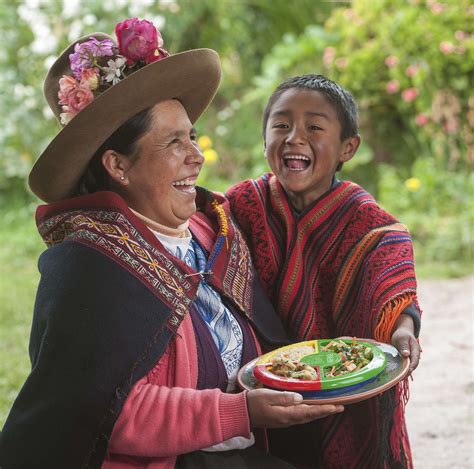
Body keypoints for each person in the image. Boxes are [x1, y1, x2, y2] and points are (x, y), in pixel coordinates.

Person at [0, 25, 344, 469]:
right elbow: (106, 412)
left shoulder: (209, 228)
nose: (196, 156)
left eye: (192, 136)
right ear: (118, 165)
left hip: (245, 450)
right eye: (173, 142)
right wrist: (240, 411)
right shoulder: (89, 265)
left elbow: (325, 225)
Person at [226, 74, 422, 469]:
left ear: (347, 147)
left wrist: (403, 330)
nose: (294, 137)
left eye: (314, 127)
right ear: (265, 141)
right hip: (264, 388)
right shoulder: (240, 205)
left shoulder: (369, 222)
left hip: (347, 390)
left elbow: (392, 284)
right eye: (281, 125)